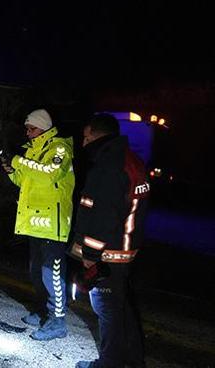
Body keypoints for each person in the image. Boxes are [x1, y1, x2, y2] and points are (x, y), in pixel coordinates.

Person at [71, 114, 149, 368]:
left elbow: (102, 216)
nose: (83, 143)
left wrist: (89, 258)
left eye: (86, 137)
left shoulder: (109, 165)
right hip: (123, 250)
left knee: (108, 311)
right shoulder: (129, 159)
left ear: (97, 135)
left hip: (107, 255)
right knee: (122, 309)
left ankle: (109, 363)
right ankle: (132, 360)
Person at [1, 108, 74, 340]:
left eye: (31, 128)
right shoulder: (32, 151)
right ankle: (42, 311)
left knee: (50, 274)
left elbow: (49, 174)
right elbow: (24, 181)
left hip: (53, 224)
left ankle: (58, 321)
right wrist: (11, 170)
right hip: (35, 222)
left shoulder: (59, 148)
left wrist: (18, 160)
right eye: (27, 128)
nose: (28, 132)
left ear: (43, 127)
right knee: (35, 272)